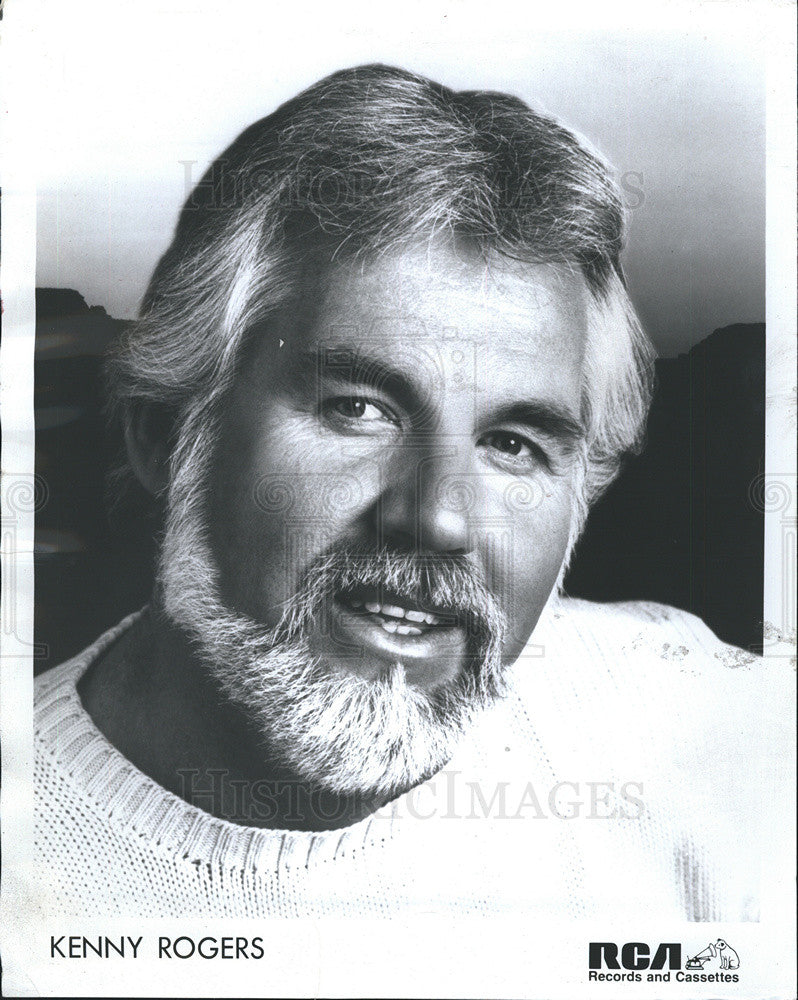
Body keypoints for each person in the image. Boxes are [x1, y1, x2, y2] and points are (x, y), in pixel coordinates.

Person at [34, 64, 788, 921]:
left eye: (512, 443)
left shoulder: (698, 727)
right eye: (357, 409)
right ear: (166, 437)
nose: (435, 517)